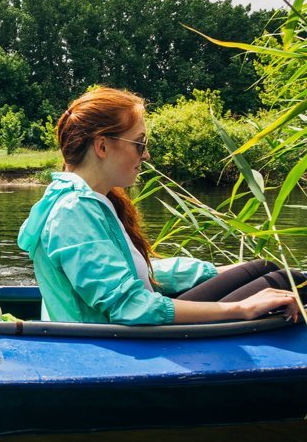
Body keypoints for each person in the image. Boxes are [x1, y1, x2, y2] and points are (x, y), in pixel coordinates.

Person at [17, 87, 304, 325]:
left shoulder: (85, 201)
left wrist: (212, 271)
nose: (147, 154)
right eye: (139, 144)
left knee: (263, 268)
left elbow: (134, 271)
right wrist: (241, 308)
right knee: (285, 281)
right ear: (102, 147)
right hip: (121, 345)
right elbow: (130, 307)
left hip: (131, 334)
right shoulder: (73, 212)